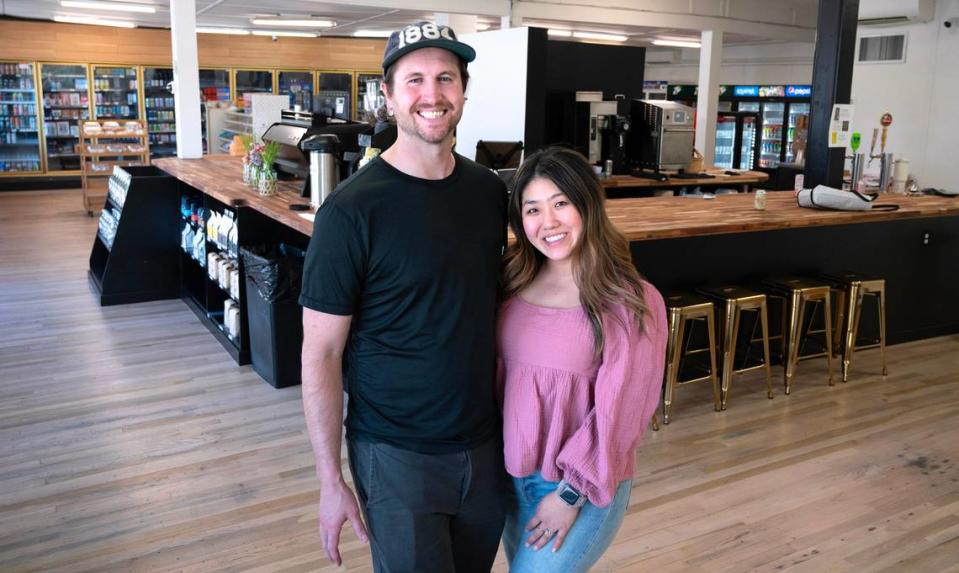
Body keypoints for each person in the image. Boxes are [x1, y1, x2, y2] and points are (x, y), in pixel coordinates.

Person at [298, 21, 509, 573]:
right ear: (388, 97)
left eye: (446, 78)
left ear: (463, 90)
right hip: (395, 456)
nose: (432, 94)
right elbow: (320, 353)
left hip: (487, 446)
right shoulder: (349, 213)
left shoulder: (489, 193)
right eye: (414, 80)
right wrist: (329, 480)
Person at [497, 146, 667, 572]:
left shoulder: (628, 300)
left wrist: (569, 495)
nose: (548, 222)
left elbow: (622, 413)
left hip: (580, 485)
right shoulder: (509, 282)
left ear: (588, 205)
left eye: (561, 204)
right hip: (509, 476)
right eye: (532, 209)